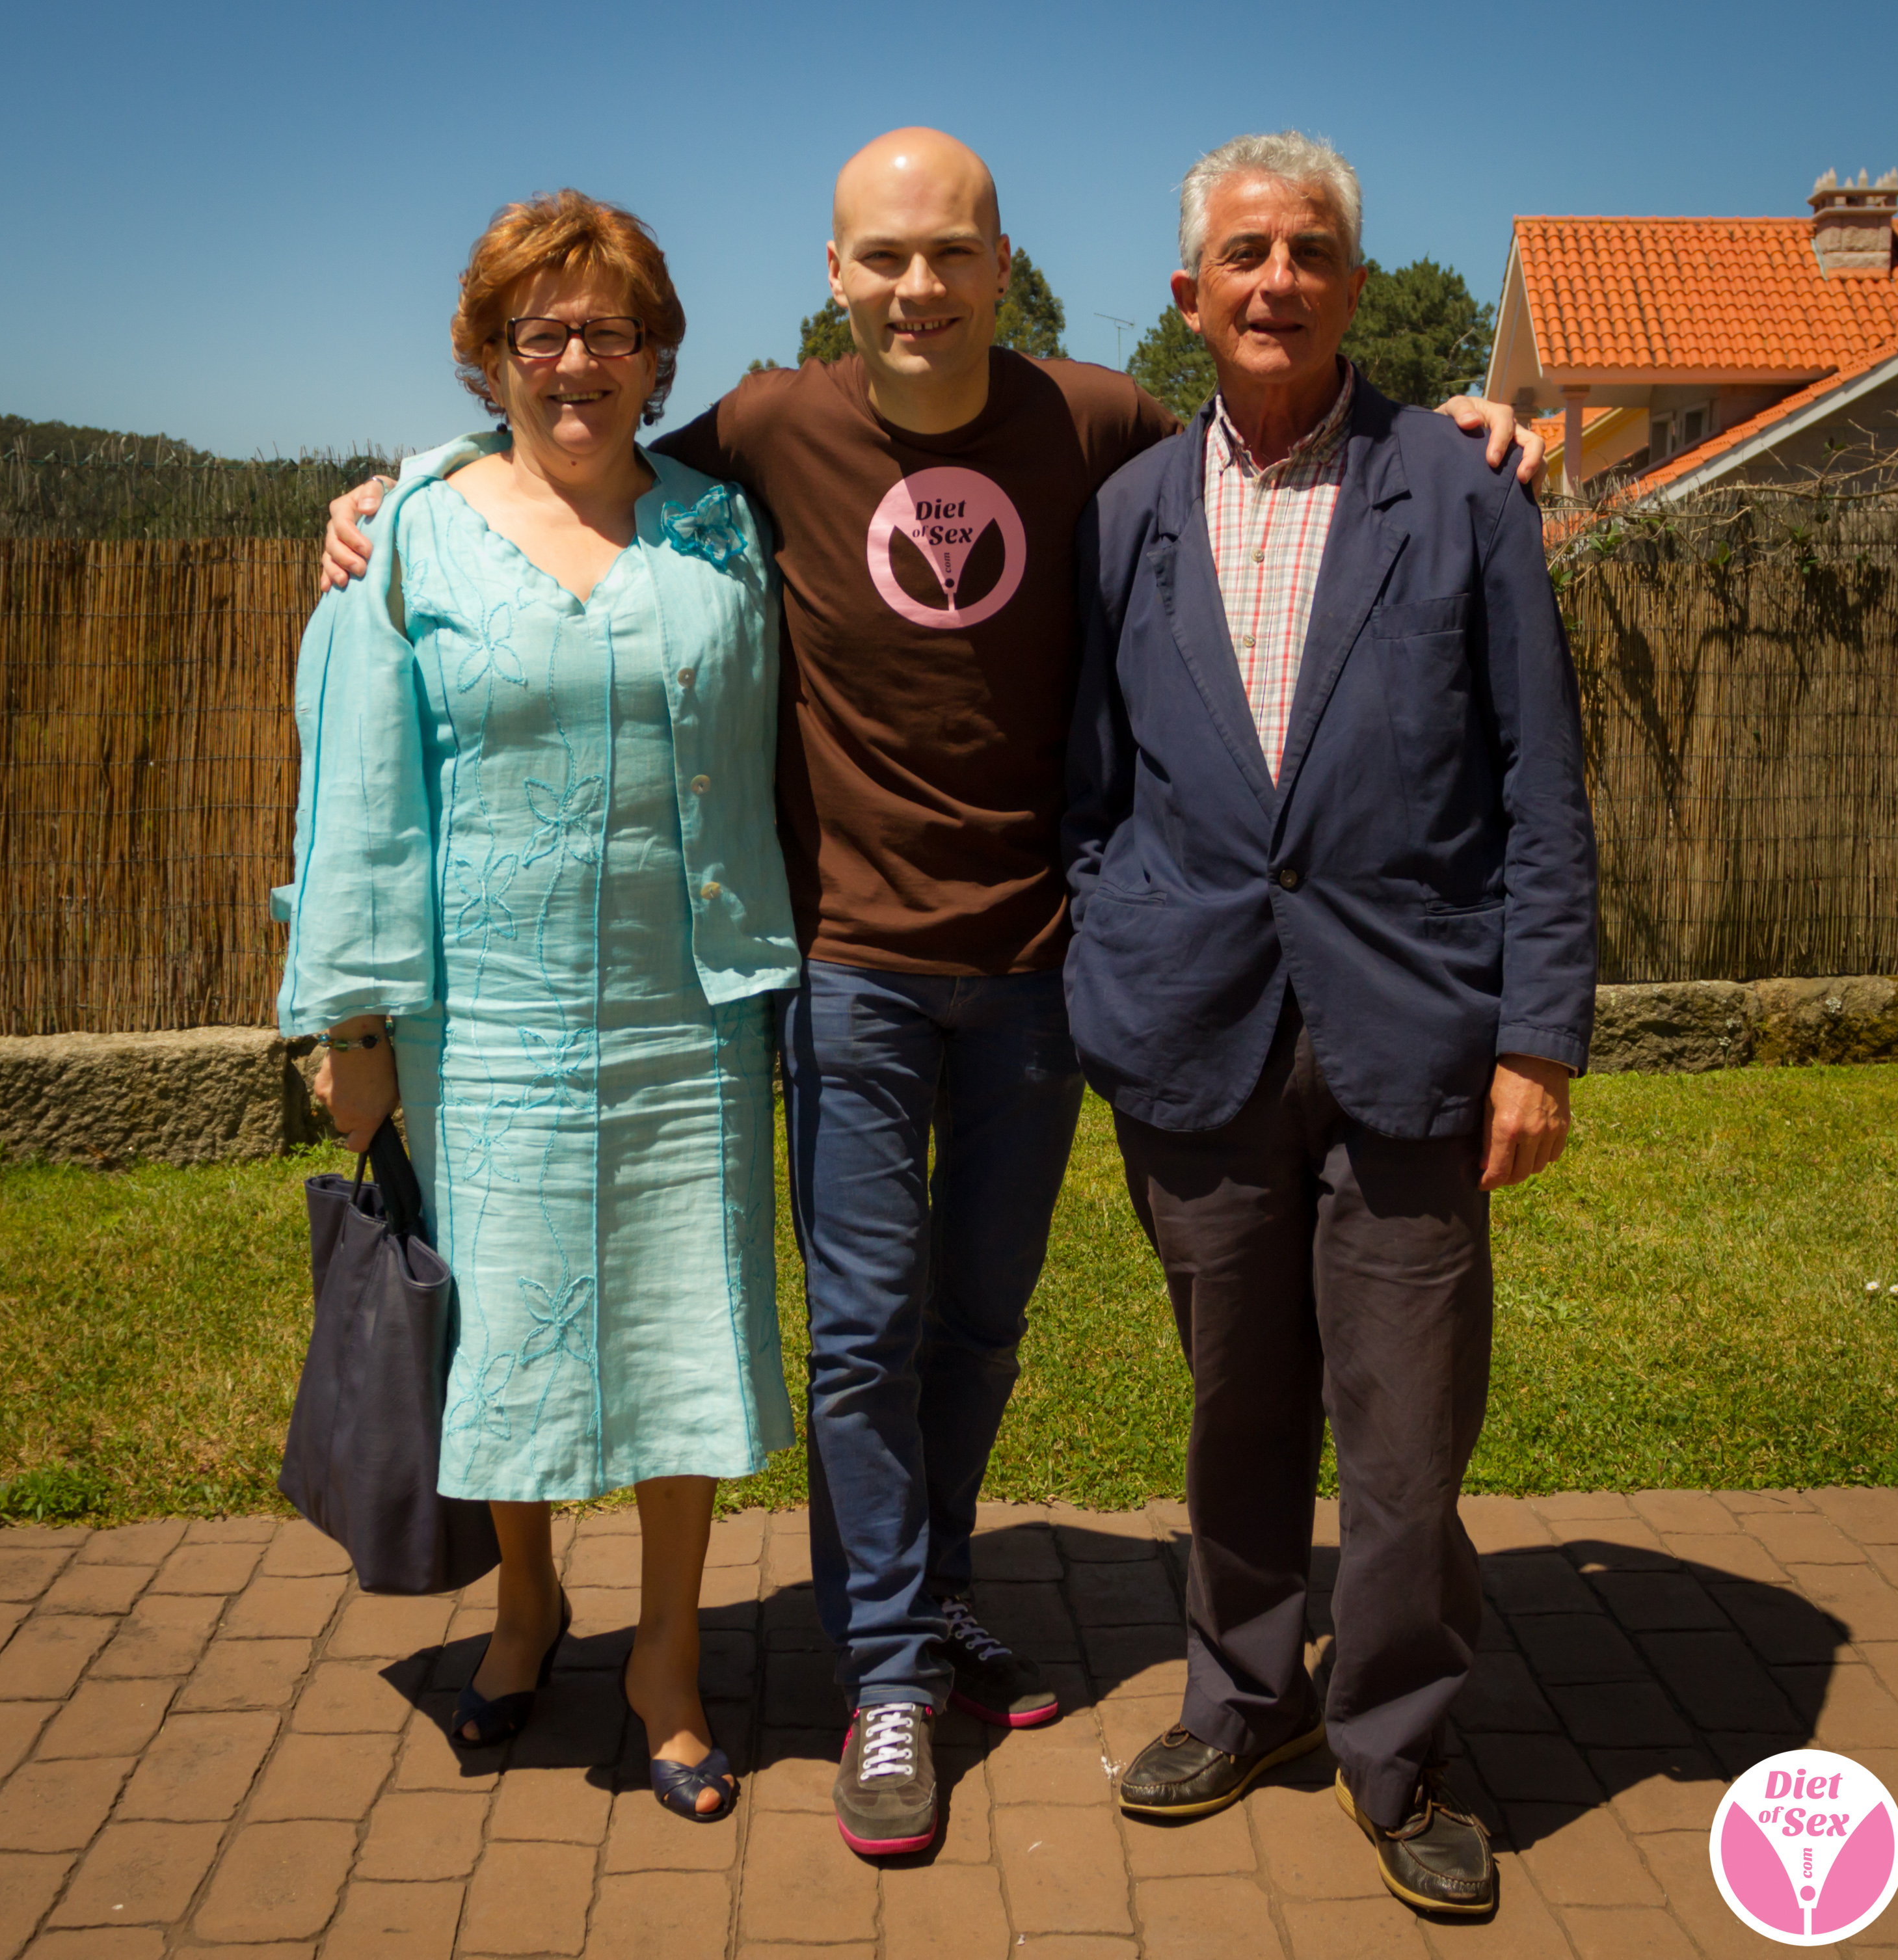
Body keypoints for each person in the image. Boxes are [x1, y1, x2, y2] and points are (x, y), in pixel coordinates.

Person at [320, 128, 1548, 1861]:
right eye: (880, 256)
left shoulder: (1096, 417)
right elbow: (574, 451)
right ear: (837, 275)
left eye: (948, 252)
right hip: (847, 971)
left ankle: (934, 1579)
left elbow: (1293, 424)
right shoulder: (767, 425)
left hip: (1042, 967)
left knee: (975, 1326)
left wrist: (1463, 421)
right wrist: (402, 479)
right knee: (867, 1326)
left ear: (997, 262)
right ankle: (883, 1660)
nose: (914, 284)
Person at [1063, 131, 1596, 1916]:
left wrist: (1536, 1036)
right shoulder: (1128, 515)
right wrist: (1117, 954)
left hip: (1415, 1041)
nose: (1274, 277)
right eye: (1242, 250)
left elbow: (1540, 787)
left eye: (1307, 250)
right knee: (1235, 1403)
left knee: (1400, 1425)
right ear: (1187, 293)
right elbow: (1094, 782)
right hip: (1195, 1033)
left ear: (1354, 286)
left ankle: (1398, 1736)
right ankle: (1240, 1690)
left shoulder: (1459, 494)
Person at [284, 191, 801, 1823]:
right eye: (542, 329)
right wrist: (353, 1025)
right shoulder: (411, 533)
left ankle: (666, 1657)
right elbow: (359, 795)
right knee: (499, 1331)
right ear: (490, 355)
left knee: (679, 1327)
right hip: (484, 1021)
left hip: (687, 1008)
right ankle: (525, 1603)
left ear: (657, 360)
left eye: (611, 330)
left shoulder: (723, 528)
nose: (578, 357)